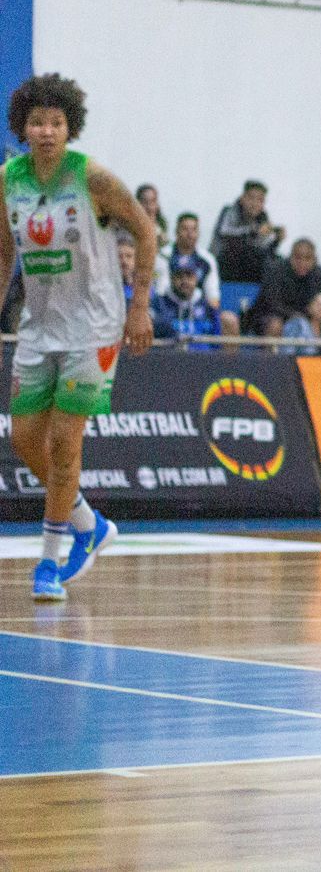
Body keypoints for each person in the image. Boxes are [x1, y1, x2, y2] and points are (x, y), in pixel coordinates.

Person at [4, 74, 155, 602]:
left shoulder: (93, 178)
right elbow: (3, 252)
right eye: (37, 122)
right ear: (23, 128)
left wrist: (139, 306)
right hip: (39, 325)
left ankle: (49, 561)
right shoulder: (7, 181)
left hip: (94, 326)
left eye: (56, 122)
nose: (46, 131)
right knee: (25, 440)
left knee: (66, 443)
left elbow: (146, 231)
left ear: (70, 128)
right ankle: (90, 524)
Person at [247, 238, 321, 335]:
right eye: (298, 258)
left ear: (314, 259)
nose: (302, 263)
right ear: (291, 257)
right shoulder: (276, 270)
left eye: (308, 258)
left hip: (306, 317)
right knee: (275, 324)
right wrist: (295, 316)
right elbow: (271, 303)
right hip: (272, 316)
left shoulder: (320, 275)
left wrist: (315, 316)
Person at [211, 180, 283, 283]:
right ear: (242, 198)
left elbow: (265, 249)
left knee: (278, 263)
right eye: (251, 198)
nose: (255, 204)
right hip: (224, 262)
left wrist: (277, 240)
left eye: (260, 200)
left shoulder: (263, 218)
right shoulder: (228, 211)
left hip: (248, 266)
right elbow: (226, 236)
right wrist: (254, 232)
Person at [155, 263, 222, 349]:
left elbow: (217, 342)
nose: (185, 281)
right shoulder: (159, 304)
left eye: (189, 276)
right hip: (170, 356)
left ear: (196, 278)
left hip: (204, 356)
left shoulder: (207, 306)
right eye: (179, 276)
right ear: (171, 278)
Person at [135, 183, 168, 251]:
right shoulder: (129, 230)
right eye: (145, 202)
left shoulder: (162, 230)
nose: (149, 207)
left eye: (153, 201)